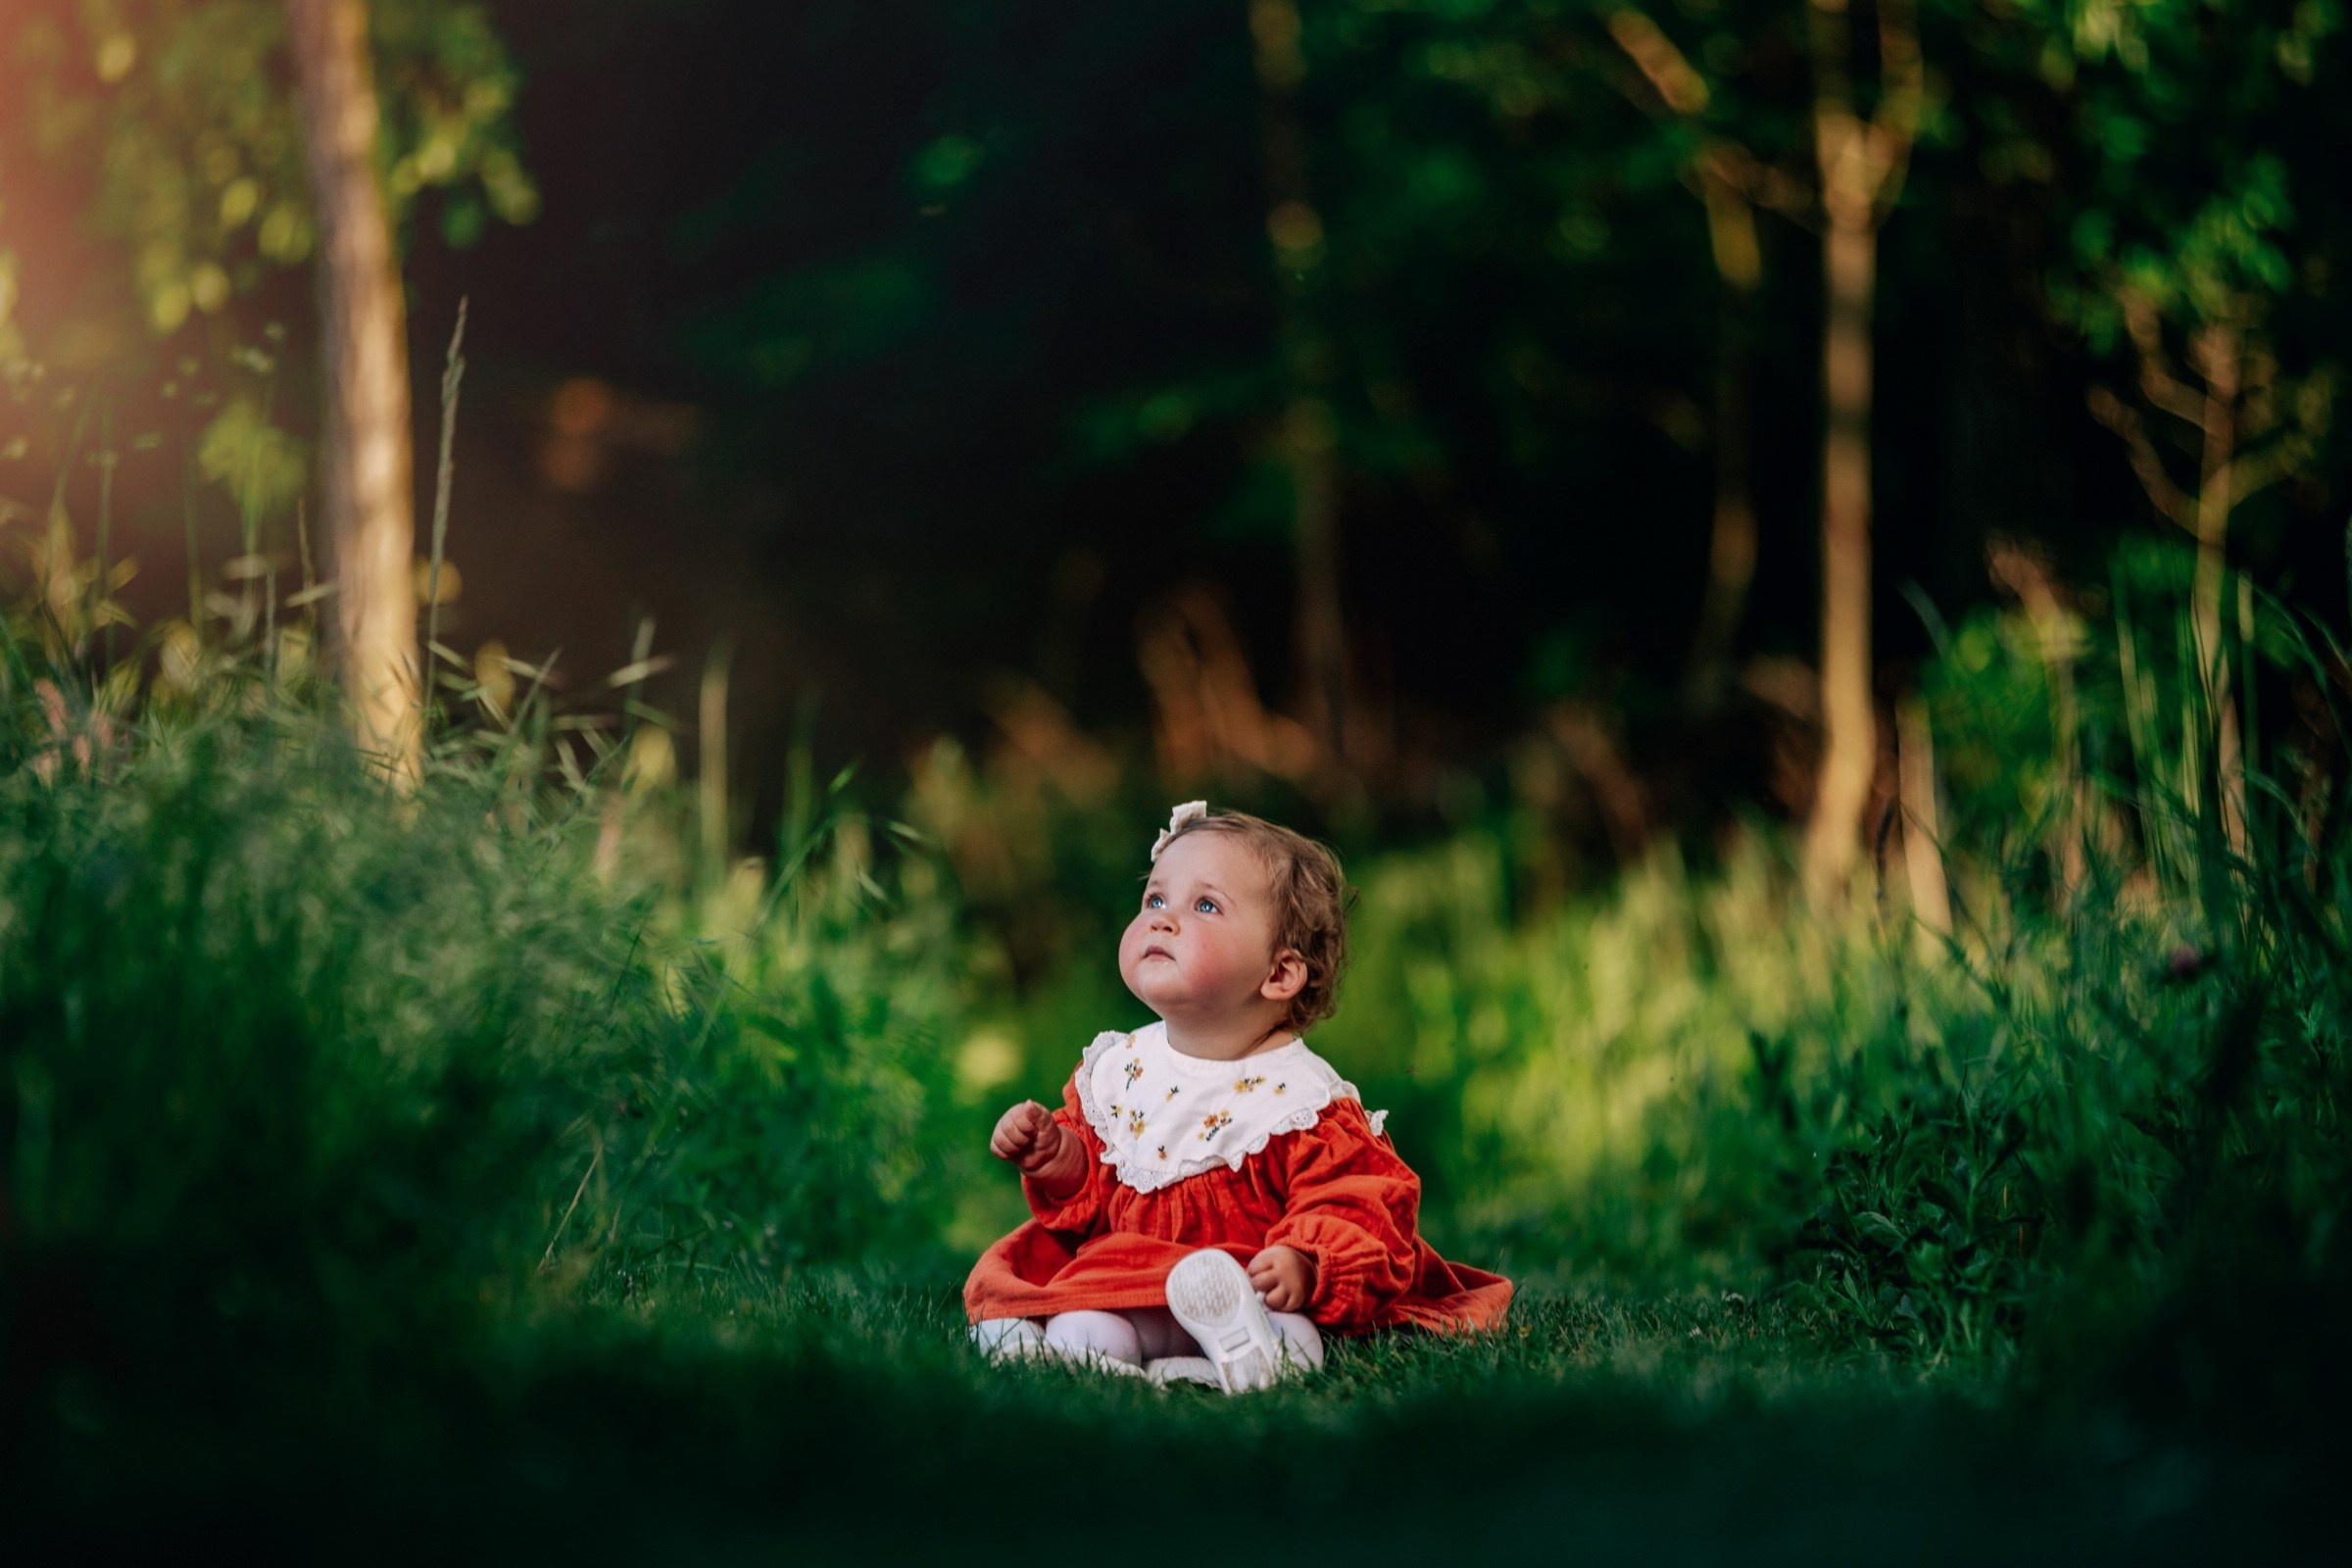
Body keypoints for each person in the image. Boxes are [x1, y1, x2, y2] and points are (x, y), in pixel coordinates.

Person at [964, 802, 1512, 1393]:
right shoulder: (1122, 1070)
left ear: (1279, 975)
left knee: (1297, 1335)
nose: (1162, 920)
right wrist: (1059, 1159)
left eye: (1205, 906)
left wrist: (1305, 1263)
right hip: (1131, 1285)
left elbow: (1359, 1204)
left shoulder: (1300, 1104)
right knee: (1085, 1319)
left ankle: (1246, 1348)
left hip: (1248, 1287)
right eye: (1154, 900)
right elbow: (1098, 1199)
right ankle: (1100, 1353)